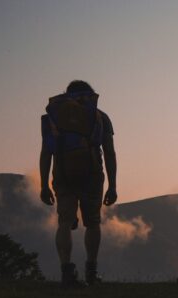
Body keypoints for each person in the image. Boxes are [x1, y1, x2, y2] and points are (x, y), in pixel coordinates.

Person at [39, 80, 117, 286]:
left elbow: (46, 152)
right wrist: (113, 185)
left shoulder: (55, 118)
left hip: (63, 174)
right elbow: (109, 152)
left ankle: (66, 272)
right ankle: (91, 273)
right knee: (92, 223)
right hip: (92, 174)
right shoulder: (100, 117)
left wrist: (44, 184)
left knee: (64, 222)